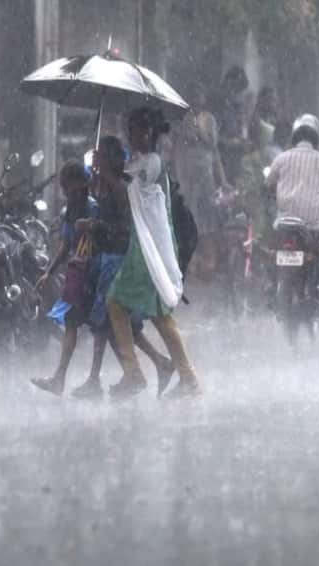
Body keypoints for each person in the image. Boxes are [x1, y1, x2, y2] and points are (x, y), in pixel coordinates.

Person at [107, 107, 201, 399]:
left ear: (146, 133)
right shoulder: (138, 162)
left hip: (153, 249)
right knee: (135, 307)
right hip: (142, 246)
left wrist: (107, 171)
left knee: (139, 308)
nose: (130, 136)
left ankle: (146, 374)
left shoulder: (154, 163)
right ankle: (179, 376)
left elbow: (127, 192)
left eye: (133, 130)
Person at [71, 136, 175, 399]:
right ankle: (155, 365)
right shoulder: (105, 186)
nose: (96, 161)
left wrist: (94, 226)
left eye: (100, 156)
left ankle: (105, 378)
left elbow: (125, 229)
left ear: (108, 159)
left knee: (105, 324)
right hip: (107, 258)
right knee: (118, 326)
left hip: (117, 260)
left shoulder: (120, 189)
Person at [31, 160, 99, 396]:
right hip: (77, 273)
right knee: (72, 321)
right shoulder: (67, 211)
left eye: (68, 185)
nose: (65, 191)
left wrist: (89, 226)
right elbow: (66, 245)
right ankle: (60, 378)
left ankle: (94, 379)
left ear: (81, 184)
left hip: (95, 271)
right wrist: (49, 271)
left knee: (102, 327)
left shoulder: (93, 208)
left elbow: (100, 238)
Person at [265, 114, 319, 308]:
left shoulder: (281, 159)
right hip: (313, 224)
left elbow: (266, 187)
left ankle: (270, 283)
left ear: (295, 135)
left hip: (283, 222)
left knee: (270, 249)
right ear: (316, 137)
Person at [175, 83, 231, 280]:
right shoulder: (183, 120)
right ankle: (191, 261)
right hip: (188, 172)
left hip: (205, 172)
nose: (197, 100)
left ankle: (209, 260)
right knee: (189, 214)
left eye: (200, 96)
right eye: (194, 97)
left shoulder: (209, 119)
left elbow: (213, 148)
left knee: (207, 216)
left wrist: (222, 180)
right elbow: (180, 146)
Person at [213, 66, 251, 186]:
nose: (238, 94)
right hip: (221, 160)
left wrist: (243, 141)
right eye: (236, 89)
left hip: (237, 159)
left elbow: (243, 130)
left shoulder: (239, 108)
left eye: (240, 91)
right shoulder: (218, 106)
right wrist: (230, 142)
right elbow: (212, 137)